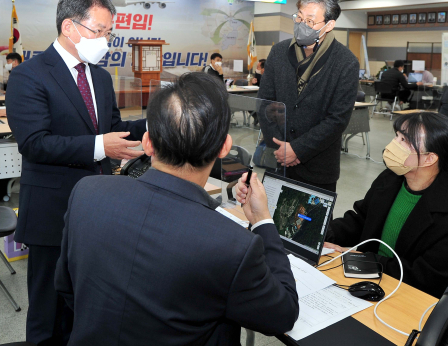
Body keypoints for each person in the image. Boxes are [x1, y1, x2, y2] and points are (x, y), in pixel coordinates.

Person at [55, 73, 298, 345]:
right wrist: (263, 221)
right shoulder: (233, 245)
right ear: (224, 148)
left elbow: (67, 288)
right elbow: (283, 314)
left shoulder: (86, 193)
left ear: (147, 142)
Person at [6, 0, 147, 345]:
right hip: (52, 212)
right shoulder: (29, 75)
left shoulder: (100, 76)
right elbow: (35, 143)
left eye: (109, 33)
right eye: (99, 31)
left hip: (98, 207)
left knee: (85, 305)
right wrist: (102, 146)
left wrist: (158, 123)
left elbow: (114, 128)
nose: (106, 41)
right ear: (70, 26)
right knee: (48, 314)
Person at [324, 112, 448, 298]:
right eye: (397, 136)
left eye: (405, 140)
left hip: (410, 295)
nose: (394, 145)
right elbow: (360, 220)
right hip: (369, 278)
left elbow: (428, 278)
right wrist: (323, 234)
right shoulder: (391, 178)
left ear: (430, 158)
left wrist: (362, 260)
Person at [258, 0, 359, 191]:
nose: (302, 25)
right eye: (299, 18)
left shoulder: (346, 62)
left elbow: (337, 119)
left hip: (317, 167)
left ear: (329, 25)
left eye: (310, 21)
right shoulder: (279, 52)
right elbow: (265, 102)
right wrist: (280, 148)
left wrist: (297, 149)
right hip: (277, 160)